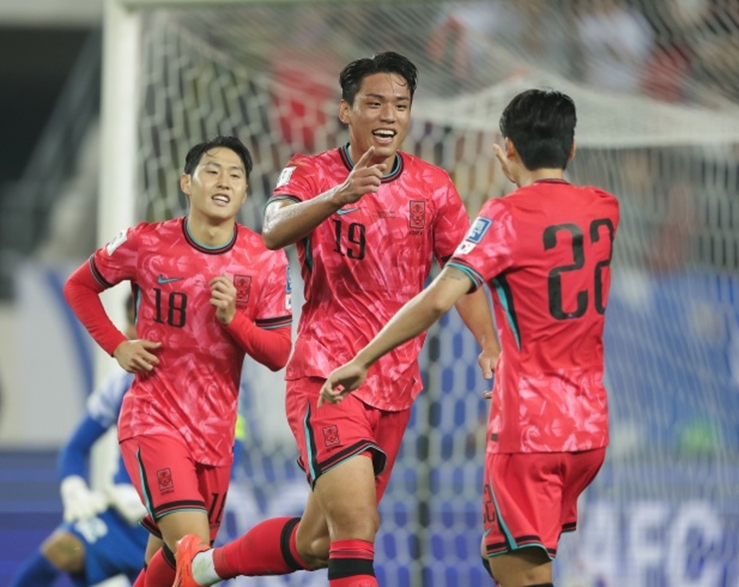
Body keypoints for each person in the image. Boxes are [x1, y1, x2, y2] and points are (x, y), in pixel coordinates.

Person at [174, 51, 499, 587]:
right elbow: (273, 229)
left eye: (400, 104)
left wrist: (488, 340)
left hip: (394, 388)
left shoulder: (434, 187)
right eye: (374, 103)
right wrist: (340, 194)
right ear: (346, 111)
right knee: (358, 524)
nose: (388, 115)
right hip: (327, 377)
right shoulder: (311, 171)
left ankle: (202, 569)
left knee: (319, 543)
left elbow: (457, 276)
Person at [319, 89, 620, 587]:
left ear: (506, 151)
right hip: (588, 430)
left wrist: (364, 358)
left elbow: (438, 298)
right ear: (571, 149)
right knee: (501, 554)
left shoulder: (505, 215)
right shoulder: (604, 209)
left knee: (521, 573)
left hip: (530, 432)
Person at [63, 135, 293, 587]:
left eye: (235, 174)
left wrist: (235, 320)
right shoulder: (147, 242)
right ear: (187, 182)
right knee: (193, 555)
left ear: (246, 191)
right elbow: (78, 286)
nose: (223, 181)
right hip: (154, 420)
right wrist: (116, 344)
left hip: (215, 435)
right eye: (211, 170)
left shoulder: (264, 259)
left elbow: (278, 353)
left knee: (169, 566)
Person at [10, 296, 148, 587]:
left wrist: (155, 500)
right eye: (128, 324)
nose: (132, 334)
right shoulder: (120, 386)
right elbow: (75, 448)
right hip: (117, 523)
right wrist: (74, 489)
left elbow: (225, 464)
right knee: (61, 550)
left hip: (172, 526)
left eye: (139, 323)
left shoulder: (201, 385)